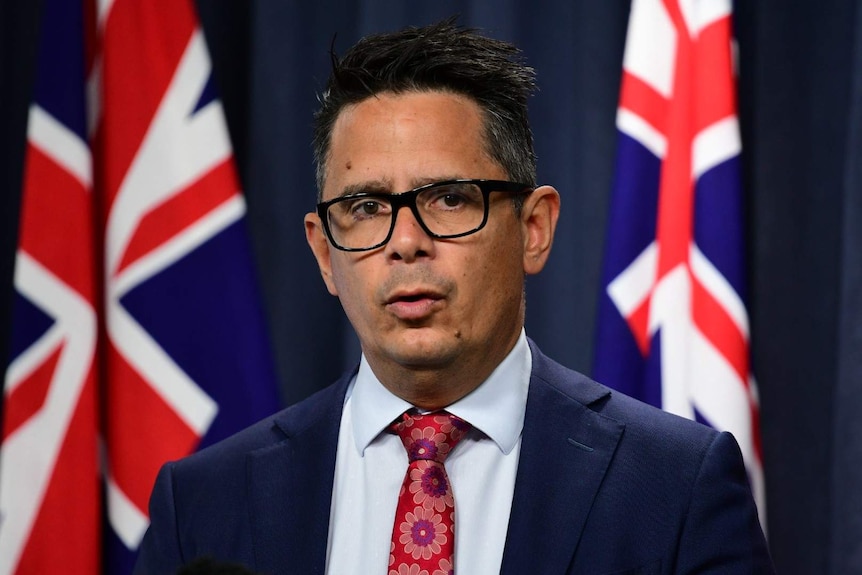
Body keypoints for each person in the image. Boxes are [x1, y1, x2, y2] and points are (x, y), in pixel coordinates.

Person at [134, 19, 774, 575]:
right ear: (325, 253)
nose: (405, 243)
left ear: (533, 229)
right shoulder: (201, 505)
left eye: (448, 199)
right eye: (365, 207)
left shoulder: (675, 486)